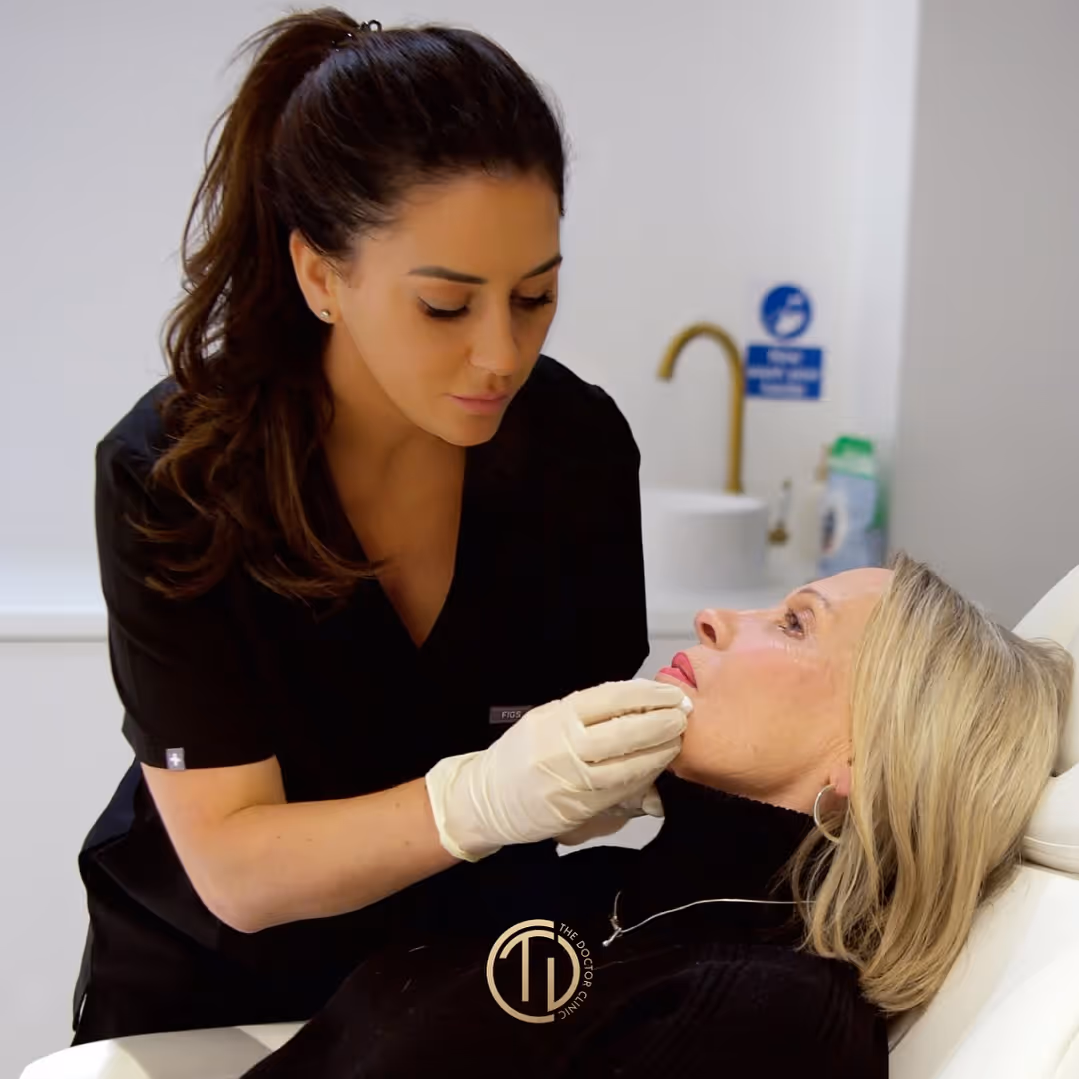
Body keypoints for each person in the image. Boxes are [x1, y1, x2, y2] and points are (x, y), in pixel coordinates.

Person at [73, 10, 690, 1044]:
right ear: (321, 274)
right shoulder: (180, 473)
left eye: (534, 296)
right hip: (213, 999)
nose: (500, 354)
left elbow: (573, 743)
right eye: (446, 307)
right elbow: (236, 866)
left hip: (461, 982)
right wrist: (477, 799)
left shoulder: (574, 448)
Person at [237, 554, 1073, 1079]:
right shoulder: (618, 885)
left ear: (860, 759)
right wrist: (494, 811)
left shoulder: (770, 1017)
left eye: (791, 623)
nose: (714, 616)